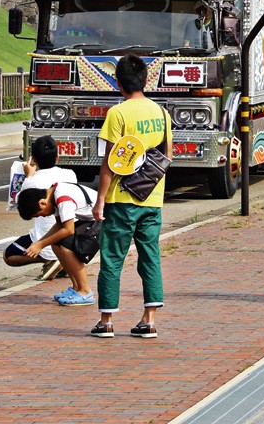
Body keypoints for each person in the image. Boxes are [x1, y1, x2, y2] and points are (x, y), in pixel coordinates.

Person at [90, 54, 172, 339]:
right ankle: (149, 320)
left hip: (121, 199)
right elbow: (167, 156)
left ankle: (107, 321)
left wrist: (100, 199)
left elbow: (111, 162)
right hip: (152, 199)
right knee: (150, 256)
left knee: (112, 258)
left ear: (118, 83)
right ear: (145, 80)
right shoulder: (162, 113)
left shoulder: (118, 113)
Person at [3, 136, 78, 284]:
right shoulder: (70, 174)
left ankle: (48, 258)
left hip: (44, 239)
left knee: (8, 256)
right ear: (57, 156)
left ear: (34, 159)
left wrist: (29, 176)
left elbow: (20, 203)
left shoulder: (31, 182)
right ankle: (62, 261)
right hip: (73, 239)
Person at [16, 182, 99, 306]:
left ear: (42, 203)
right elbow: (60, 225)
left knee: (67, 247)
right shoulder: (53, 195)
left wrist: (41, 245)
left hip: (104, 220)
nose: (44, 217)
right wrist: (38, 243)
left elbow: (68, 229)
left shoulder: (62, 198)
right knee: (56, 243)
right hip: (91, 219)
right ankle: (76, 287)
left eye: (40, 215)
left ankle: (85, 290)